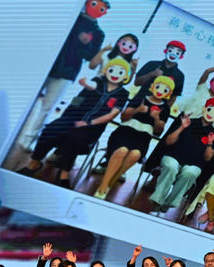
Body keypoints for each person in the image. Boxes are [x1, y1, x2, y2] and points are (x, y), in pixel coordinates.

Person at [17, 58, 130, 189]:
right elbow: (78, 98)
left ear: (125, 77)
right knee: (51, 128)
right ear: (106, 71)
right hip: (73, 118)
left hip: (93, 128)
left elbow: (111, 115)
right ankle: (34, 162)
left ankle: (64, 172)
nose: (115, 74)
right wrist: (66, 117)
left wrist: (89, 123)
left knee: (75, 137)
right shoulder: (97, 81)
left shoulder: (123, 94)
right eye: (112, 70)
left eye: (120, 72)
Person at [18, 0, 109, 150]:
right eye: (94, 4)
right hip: (45, 63)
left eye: (101, 8)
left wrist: (85, 43)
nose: (96, 9)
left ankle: (28, 141)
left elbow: (89, 57)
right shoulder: (69, 17)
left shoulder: (98, 33)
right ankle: (14, 133)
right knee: (25, 100)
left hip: (67, 71)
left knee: (47, 107)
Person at [92, 75, 174, 199]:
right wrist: (137, 110)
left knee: (135, 154)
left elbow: (159, 131)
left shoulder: (165, 108)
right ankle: (103, 186)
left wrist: (156, 118)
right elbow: (123, 117)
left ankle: (110, 182)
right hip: (124, 132)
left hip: (142, 139)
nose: (160, 91)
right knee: (122, 150)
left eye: (165, 89)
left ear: (168, 93)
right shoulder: (140, 98)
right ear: (153, 86)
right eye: (158, 86)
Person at [148, 99, 214, 214]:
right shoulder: (188, 122)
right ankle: (157, 202)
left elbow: (208, 158)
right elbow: (168, 142)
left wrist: (210, 143)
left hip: (194, 163)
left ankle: (168, 204)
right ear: (204, 109)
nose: (211, 113)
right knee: (171, 167)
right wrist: (182, 127)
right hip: (173, 156)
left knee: (191, 173)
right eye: (209, 109)